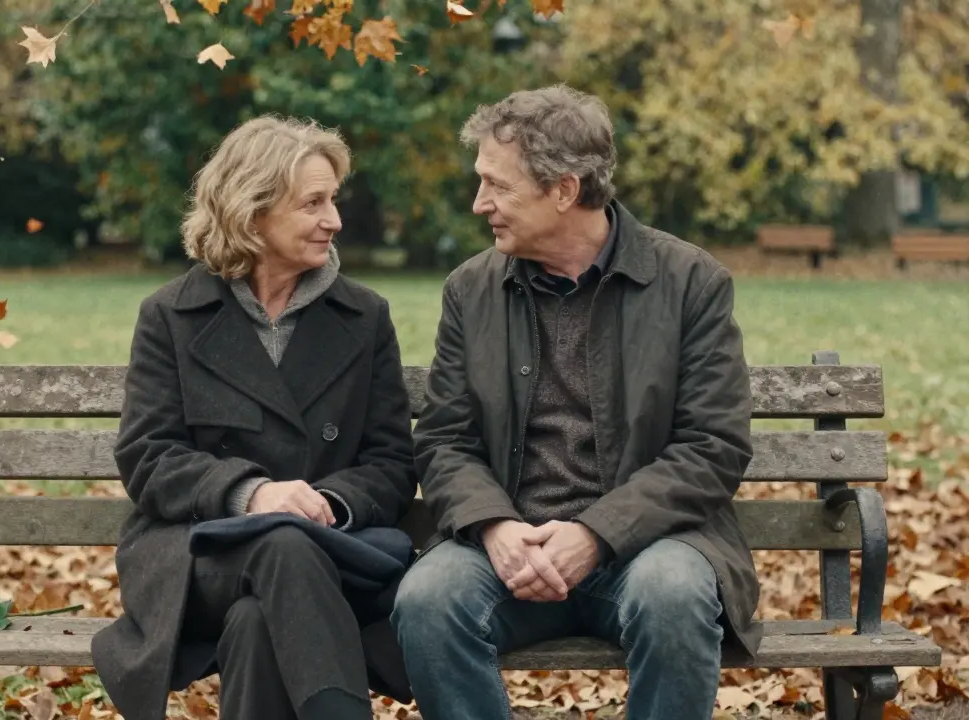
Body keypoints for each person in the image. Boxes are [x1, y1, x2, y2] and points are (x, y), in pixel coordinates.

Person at [389, 84, 761, 720]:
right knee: (428, 599)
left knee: (673, 595)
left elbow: (712, 447)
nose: (479, 204)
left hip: (649, 547)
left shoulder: (690, 282)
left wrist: (596, 534)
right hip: (507, 550)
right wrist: (494, 527)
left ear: (564, 190)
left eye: (497, 185)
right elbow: (445, 440)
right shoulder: (471, 290)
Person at [90, 115, 419, 720]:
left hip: (333, 555)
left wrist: (327, 504)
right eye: (312, 203)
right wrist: (255, 494)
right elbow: (148, 456)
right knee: (281, 546)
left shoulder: (364, 316)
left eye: (333, 200)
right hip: (198, 556)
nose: (334, 221)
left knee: (257, 621)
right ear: (252, 212)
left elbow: (392, 461)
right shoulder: (172, 315)